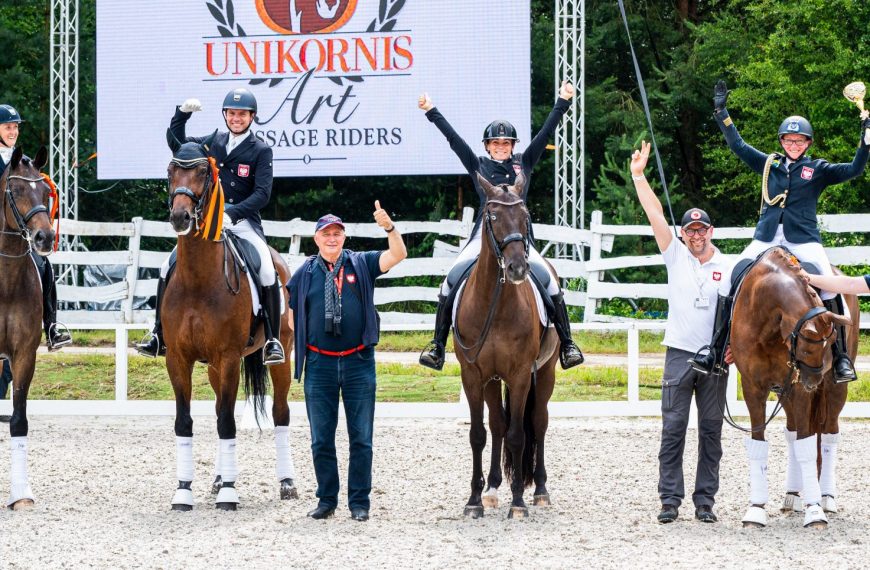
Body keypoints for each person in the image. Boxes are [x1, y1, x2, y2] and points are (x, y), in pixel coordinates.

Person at [690, 80, 870, 382]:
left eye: (799, 142)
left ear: (808, 144)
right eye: (789, 141)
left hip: (803, 240)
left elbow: (854, 169)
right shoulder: (768, 165)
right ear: (782, 141)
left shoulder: (819, 169)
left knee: (830, 287)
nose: (794, 146)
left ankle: (839, 357)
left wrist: (865, 142)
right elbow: (738, 145)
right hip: (767, 237)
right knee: (727, 283)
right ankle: (716, 350)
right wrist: (722, 113)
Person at [416, 82, 583, 371]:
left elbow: (545, 134)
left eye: (506, 143)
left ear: (513, 146)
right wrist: (432, 112)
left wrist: (563, 102)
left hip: (518, 239)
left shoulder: (524, 162)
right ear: (487, 146)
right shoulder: (477, 164)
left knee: (551, 283)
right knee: (449, 282)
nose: (501, 147)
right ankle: (438, 345)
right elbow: (454, 140)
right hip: (483, 237)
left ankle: (567, 344)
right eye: (496, 143)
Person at [136, 88, 284, 364]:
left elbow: (262, 193)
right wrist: (181, 115)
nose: (236, 118)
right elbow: (177, 143)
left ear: (251, 117)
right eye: (231, 113)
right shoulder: (212, 141)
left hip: (242, 223)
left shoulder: (261, 150)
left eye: (242, 114)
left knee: (266, 267)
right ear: (225, 115)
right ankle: (158, 333)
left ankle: (272, 339)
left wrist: (233, 213)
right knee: (168, 266)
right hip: (205, 223)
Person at [631, 141, 733, 524]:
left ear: (710, 230)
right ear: (684, 232)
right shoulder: (674, 254)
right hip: (678, 354)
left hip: (716, 360)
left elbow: (736, 314)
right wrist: (639, 176)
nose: (695, 235)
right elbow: (655, 214)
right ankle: (669, 501)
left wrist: (734, 347)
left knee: (711, 432)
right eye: (689, 230)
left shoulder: (728, 264)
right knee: (672, 431)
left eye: (700, 229)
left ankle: (705, 502)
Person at [288, 204, 407, 522]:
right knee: (321, 439)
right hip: (319, 365)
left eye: (337, 233)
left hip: (358, 363)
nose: (332, 238)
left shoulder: (362, 263)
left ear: (344, 236)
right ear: (316, 238)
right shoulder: (305, 272)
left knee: (361, 438)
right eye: (326, 233)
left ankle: (359, 502)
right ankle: (327, 499)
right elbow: (290, 314)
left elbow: (397, 255)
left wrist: (390, 229)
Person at [0, 104, 71, 353]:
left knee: (44, 266)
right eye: (8, 127)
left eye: (15, 127)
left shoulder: (25, 162)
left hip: (16, 237)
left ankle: (51, 326)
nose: (12, 131)